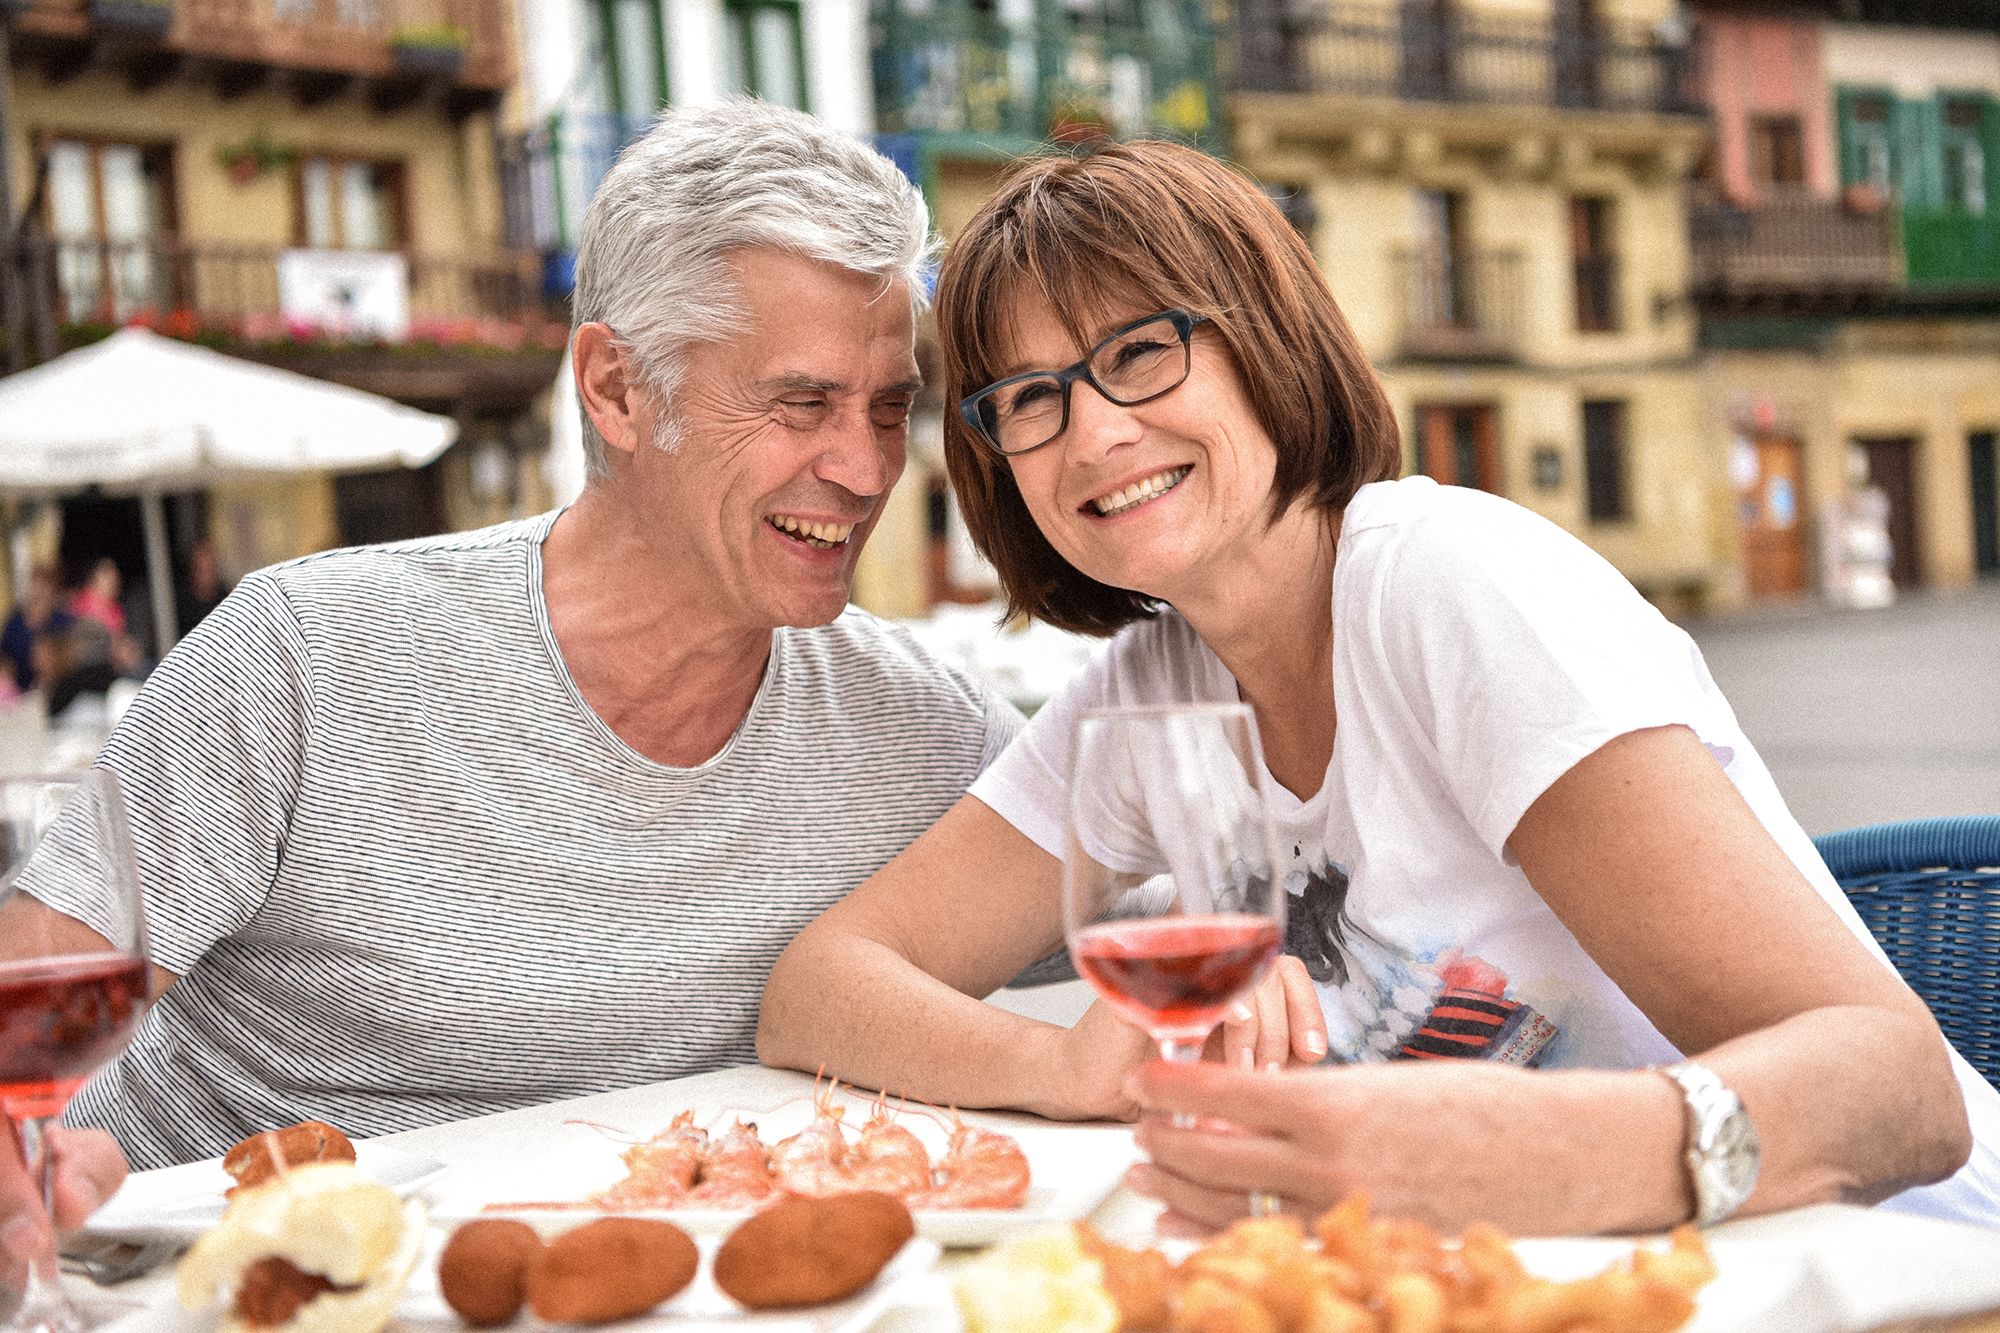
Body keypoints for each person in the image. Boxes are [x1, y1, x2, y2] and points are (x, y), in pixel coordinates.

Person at [759, 139, 2000, 1233]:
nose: (1092, 434)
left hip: (1889, 1264)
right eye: (1028, 398)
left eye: (1139, 351)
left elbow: (1899, 1092)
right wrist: (1071, 1066)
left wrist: (1503, 1157)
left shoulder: (1447, 587)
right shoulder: (1148, 695)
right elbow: (822, 985)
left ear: (1262, 339)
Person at [0, 100, 1025, 1271]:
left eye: (888, 408)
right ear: (617, 389)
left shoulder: (928, 728)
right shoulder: (303, 656)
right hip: (203, 1287)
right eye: (801, 404)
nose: (862, 468)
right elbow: (26, 1018)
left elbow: (1169, 973)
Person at [0, 564, 74, 692]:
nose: (38, 591)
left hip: (56, 689)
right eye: (34, 585)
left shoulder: (63, 621)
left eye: (44, 586)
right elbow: (5, 661)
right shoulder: (14, 622)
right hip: (18, 692)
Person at [175, 539, 231, 635]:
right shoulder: (182, 607)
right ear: (193, 571)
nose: (207, 576)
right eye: (202, 570)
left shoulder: (227, 600)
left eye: (210, 570)